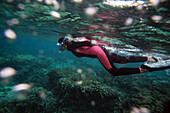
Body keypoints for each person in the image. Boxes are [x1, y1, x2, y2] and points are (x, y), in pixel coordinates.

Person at [57, 35, 169, 76]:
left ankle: (144, 69)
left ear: (65, 44)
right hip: (102, 49)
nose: (63, 49)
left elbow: (85, 43)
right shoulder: (74, 42)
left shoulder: (71, 46)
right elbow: (86, 42)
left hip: (99, 52)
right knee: (122, 59)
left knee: (114, 72)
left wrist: (91, 43)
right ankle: (151, 58)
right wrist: (91, 43)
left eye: (62, 47)